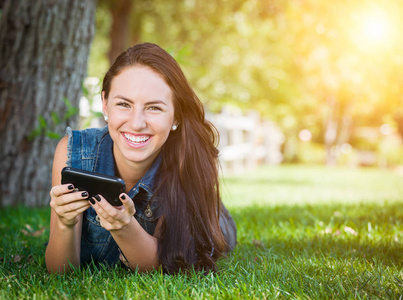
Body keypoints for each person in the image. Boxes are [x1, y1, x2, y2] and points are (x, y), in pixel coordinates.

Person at [45, 43, 236, 274]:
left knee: (214, 240)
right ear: (105, 104)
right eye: (124, 104)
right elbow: (60, 271)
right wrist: (66, 223)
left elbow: (165, 264)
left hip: (205, 215)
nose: (136, 123)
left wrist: (124, 227)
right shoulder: (73, 152)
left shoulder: (189, 163)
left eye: (154, 108)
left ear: (175, 114)